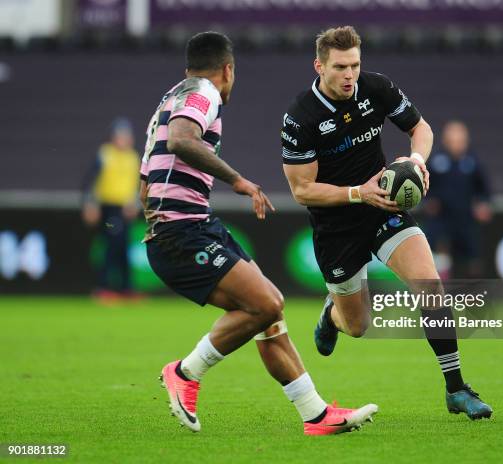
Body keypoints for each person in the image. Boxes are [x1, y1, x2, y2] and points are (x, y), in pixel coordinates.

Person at [140, 31, 377, 435]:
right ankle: (184, 372)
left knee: (269, 315)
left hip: (190, 224)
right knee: (267, 303)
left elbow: (151, 169)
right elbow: (182, 140)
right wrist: (238, 181)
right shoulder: (203, 93)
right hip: (181, 231)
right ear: (228, 69)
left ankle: (315, 415)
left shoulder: (174, 93)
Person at [281, 26, 492, 420]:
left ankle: (456, 388)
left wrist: (416, 160)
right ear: (319, 66)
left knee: (430, 285)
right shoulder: (300, 117)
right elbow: (302, 190)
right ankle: (332, 315)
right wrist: (358, 192)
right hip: (337, 227)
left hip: (384, 209)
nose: (350, 75)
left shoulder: (375, 88)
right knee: (357, 325)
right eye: (341, 67)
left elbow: (421, 129)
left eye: (355, 65)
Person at [424, 120, 493, 279]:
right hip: (441, 217)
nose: (456, 144)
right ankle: (441, 290)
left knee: (472, 257)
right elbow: (425, 187)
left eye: (459, 140)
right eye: (452, 140)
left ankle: (473, 293)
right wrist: (429, 202)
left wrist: (483, 204)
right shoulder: (436, 161)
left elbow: (484, 189)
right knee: (437, 253)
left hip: (465, 217)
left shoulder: (472, 162)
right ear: (445, 141)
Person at [82, 117, 141, 299]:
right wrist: (90, 204)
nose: (123, 139)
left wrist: (136, 204)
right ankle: (104, 287)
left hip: (126, 209)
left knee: (123, 247)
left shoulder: (133, 157)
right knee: (112, 246)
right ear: (113, 137)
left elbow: (139, 185)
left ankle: (125, 288)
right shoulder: (105, 153)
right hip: (109, 207)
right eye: (120, 135)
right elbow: (90, 181)